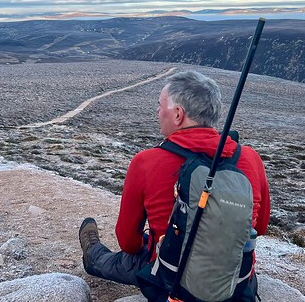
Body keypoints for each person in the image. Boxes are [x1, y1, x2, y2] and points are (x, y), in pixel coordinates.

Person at [79, 70, 270, 301]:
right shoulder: (250, 158)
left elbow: (129, 243)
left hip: (173, 284)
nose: (158, 112)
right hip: (235, 283)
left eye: (160, 106)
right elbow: (258, 228)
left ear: (178, 114)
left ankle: (93, 254)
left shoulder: (146, 162)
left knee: (129, 258)